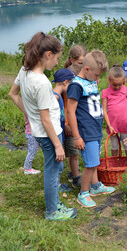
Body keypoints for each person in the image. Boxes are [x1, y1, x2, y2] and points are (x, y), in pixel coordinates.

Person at [8, 31, 77, 221]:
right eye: (56, 58)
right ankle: (52, 212)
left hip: (41, 131)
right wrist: (57, 145)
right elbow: (46, 119)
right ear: (48, 55)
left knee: (55, 169)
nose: (56, 63)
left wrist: (29, 114)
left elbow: (13, 94)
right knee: (53, 172)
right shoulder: (42, 82)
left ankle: (54, 203)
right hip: (49, 134)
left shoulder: (25, 71)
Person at [67, 49, 115, 208]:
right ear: (87, 69)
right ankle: (84, 192)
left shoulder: (90, 80)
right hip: (85, 133)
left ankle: (95, 186)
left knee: (94, 161)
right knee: (91, 164)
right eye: (97, 75)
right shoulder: (76, 85)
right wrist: (76, 136)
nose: (98, 78)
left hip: (95, 130)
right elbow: (71, 111)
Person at [63, 45, 86, 186]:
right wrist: (66, 124)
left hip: (75, 123)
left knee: (74, 152)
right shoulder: (67, 83)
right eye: (80, 63)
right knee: (73, 153)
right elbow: (65, 108)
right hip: (68, 124)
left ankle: (74, 172)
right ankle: (76, 176)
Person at [102, 65, 127, 158]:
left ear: (123, 81)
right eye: (115, 85)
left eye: (120, 84)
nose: (117, 87)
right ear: (109, 80)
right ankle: (114, 162)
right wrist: (109, 125)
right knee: (114, 144)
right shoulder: (105, 92)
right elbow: (104, 110)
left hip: (125, 123)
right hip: (112, 124)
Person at [52, 68, 75, 192]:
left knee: (59, 163)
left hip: (60, 132)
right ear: (66, 82)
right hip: (56, 134)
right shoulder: (55, 97)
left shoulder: (57, 96)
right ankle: (56, 186)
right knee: (57, 163)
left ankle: (58, 184)